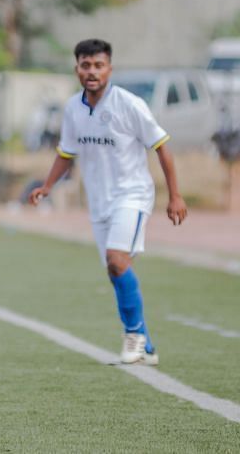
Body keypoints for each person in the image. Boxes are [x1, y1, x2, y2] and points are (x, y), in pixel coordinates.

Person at [29, 38, 187, 365]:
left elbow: (161, 146)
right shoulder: (73, 107)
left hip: (132, 195)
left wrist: (175, 195)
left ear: (109, 69)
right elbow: (66, 153)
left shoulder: (130, 105)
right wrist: (46, 186)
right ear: (77, 69)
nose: (92, 71)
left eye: (98, 65)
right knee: (117, 271)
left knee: (117, 260)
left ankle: (133, 336)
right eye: (86, 65)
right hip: (99, 202)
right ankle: (145, 344)